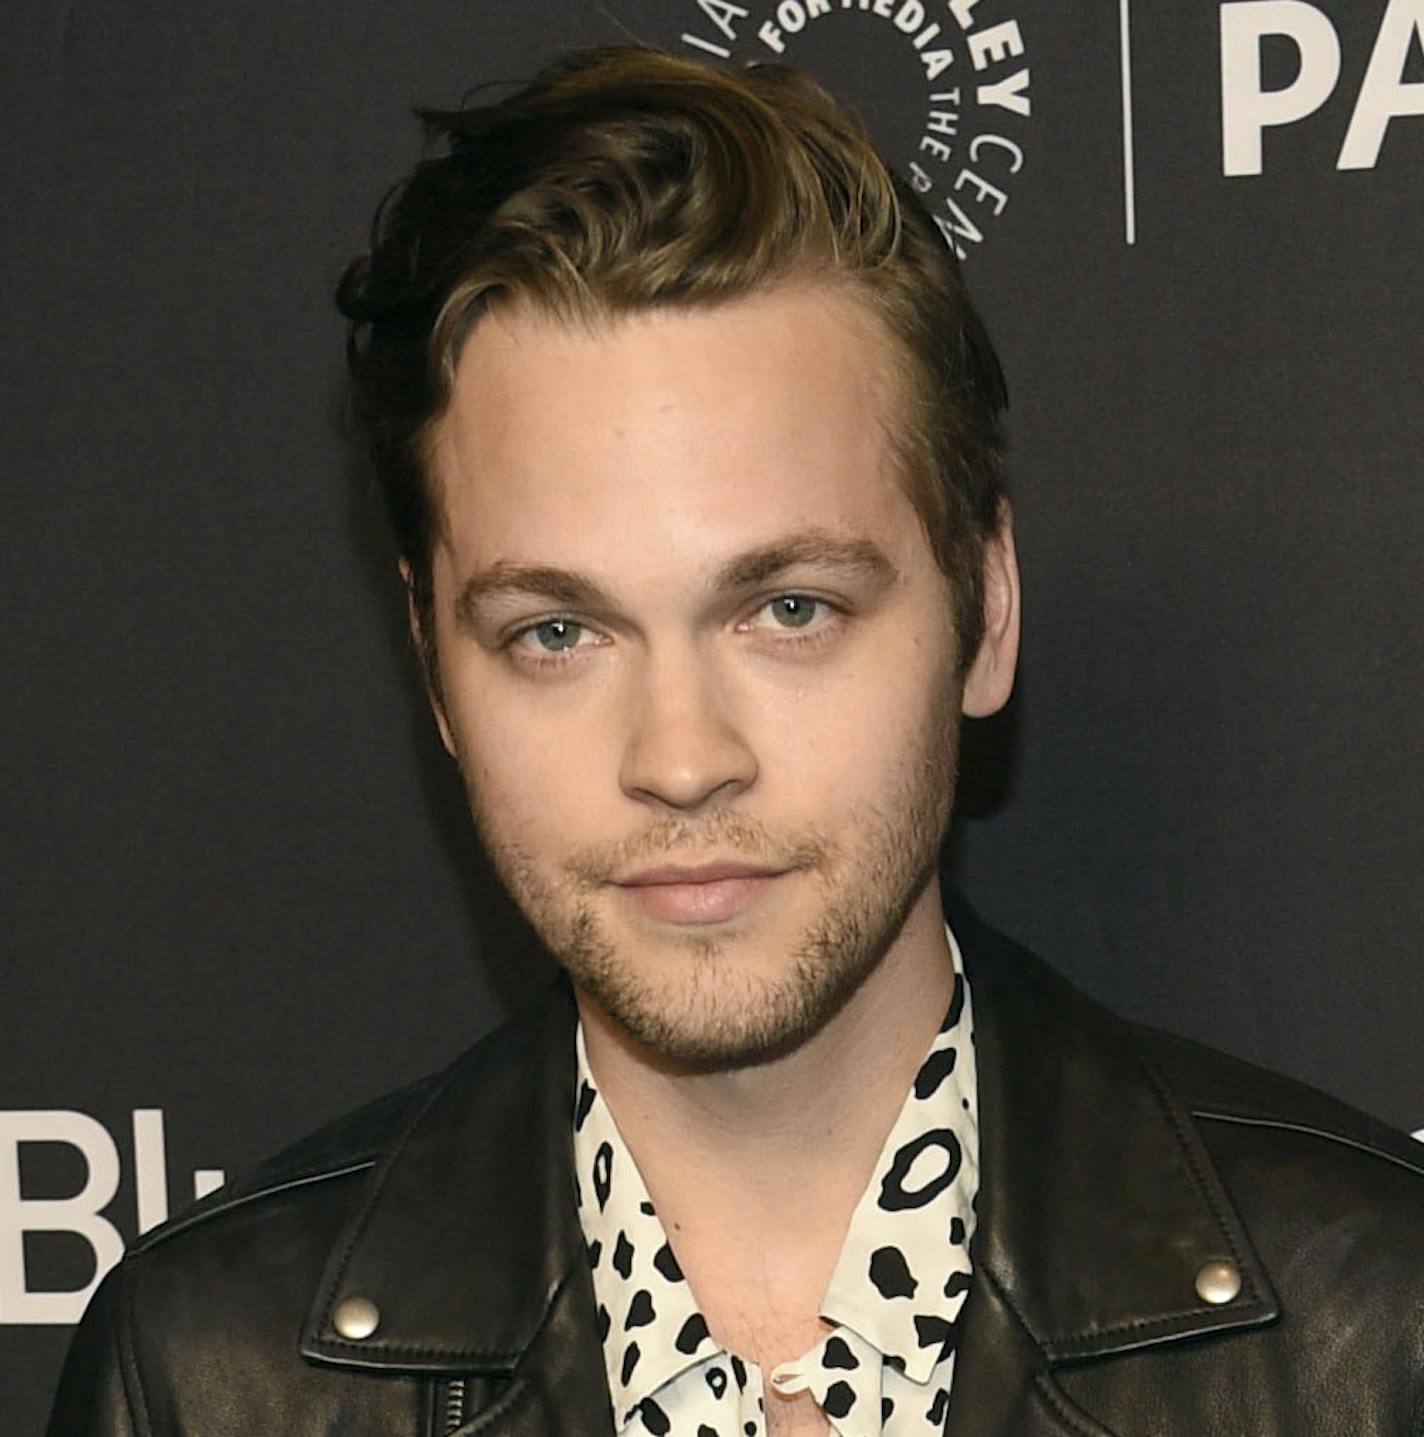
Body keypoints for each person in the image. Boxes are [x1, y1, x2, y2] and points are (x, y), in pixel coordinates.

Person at [46, 44, 1424, 1437]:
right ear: (436, 673)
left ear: (985, 610)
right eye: (556, 633)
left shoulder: (1372, 1332)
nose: (682, 755)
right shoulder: (210, 1375)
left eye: (788, 607)